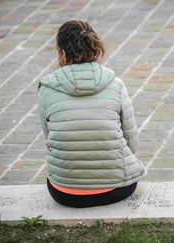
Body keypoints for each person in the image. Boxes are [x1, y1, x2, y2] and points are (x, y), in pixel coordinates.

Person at [37, 20, 147, 208]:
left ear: (62, 54)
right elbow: (132, 141)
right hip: (116, 188)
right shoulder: (116, 85)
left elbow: (50, 138)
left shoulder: (46, 89)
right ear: (95, 49)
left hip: (65, 193)